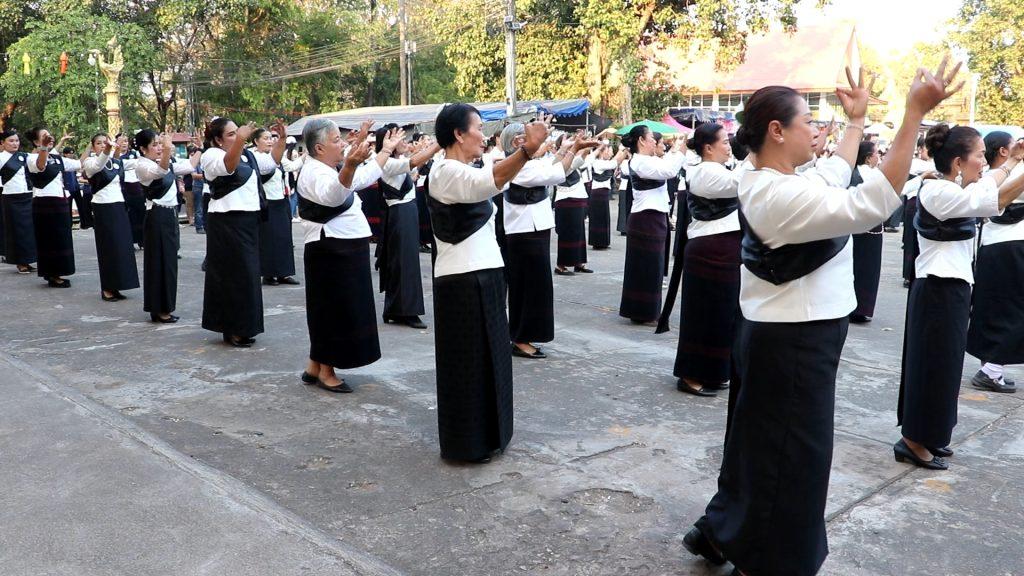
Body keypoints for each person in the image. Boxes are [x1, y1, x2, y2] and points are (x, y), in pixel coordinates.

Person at [683, 61, 962, 576]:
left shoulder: (778, 178)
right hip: (793, 341)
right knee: (791, 459)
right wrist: (912, 114)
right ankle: (765, 560)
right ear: (776, 131)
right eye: (807, 122)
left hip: (791, 335)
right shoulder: (775, 191)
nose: (817, 129)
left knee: (762, 447)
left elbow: (835, 173)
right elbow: (872, 202)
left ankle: (728, 532)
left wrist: (856, 122)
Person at [897, 124, 1024, 470]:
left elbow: (987, 186)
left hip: (950, 289)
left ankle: (931, 434)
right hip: (937, 288)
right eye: (980, 155)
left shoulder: (953, 187)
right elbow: (993, 199)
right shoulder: (937, 192)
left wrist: (1011, 162)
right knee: (931, 368)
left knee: (945, 369)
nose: (984, 162)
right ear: (957, 161)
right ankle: (913, 439)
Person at [427, 103, 549, 462]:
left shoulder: (463, 166)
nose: (484, 134)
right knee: (467, 366)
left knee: (490, 360)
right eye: (478, 127)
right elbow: (489, 182)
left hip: (486, 272)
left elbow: (489, 178)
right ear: (458, 134)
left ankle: (491, 437)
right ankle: (467, 444)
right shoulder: (445, 171)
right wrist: (526, 150)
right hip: (462, 280)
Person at [296, 119, 402, 393]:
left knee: (338, 309)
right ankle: (327, 370)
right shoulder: (315, 173)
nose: (342, 144)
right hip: (331, 249)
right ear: (319, 148)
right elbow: (333, 196)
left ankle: (315, 364)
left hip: (344, 248)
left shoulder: (328, 168)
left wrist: (385, 151)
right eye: (335, 140)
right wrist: (351, 164)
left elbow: (363, 178)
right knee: (333, 311)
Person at [501, 122, 597, 360]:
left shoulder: (527, 164)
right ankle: (521, 338)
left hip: (533, 232)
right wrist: (573, 149)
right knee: (528, 288)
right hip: (525, 233)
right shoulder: (519, 167)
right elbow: (556, 173)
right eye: (532, 137)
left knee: (535, 287)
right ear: (517, 143)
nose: (540, 142)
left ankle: (525, 335)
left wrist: (572, 149)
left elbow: (554, 166)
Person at [673, 123, 745, 397]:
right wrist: (757, 154)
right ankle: (691, 374)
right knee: (702, 316)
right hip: (708, 251)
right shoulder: (704, 172)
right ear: (708, 148)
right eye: (724, 142)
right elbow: (742, 184)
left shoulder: (719, 170)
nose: (729, 147)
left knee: (722, 316)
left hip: (724, 250)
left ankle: (714, 372)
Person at [200, 117, 277, 347]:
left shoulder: (247, 155)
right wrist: (242, 139)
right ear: (217, 139)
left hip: (247, 220)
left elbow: (271, 165)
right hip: (226, 221)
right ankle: (232, 327)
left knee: (247, 274)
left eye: (238, 132)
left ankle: (245, 325)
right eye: (231, 134)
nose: (237, 136)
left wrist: (280, 140)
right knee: (232, 275)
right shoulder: (211, 155)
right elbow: (227, 167)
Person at [965, 132, 1024, 393]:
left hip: (995, 242)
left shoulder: (992, 173)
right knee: (1009, 309)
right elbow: (999, 201)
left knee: (995, 307)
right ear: (1003, 151)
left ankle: (992, 368)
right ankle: (991, 370)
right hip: (1013, 243)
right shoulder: (1010, 172)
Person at [373, 123, 440, 328]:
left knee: (404, 262)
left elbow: (411, 168)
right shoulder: (385, 162)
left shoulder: (396, 161)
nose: (404, 142)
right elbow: (414, 162)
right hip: (399, 214)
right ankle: (406, 311)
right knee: (404, 262)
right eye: (399, 139)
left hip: (406, 212)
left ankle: (396, 309)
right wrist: (437, 144)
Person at [618, 128, 685, 324]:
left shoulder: (651, 160)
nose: (655, 142)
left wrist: (675, 150)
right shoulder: (640, 161)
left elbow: (668, 165)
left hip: (653, 216)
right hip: (645, 218)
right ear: (641, 140)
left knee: (651, 267)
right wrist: (682, 148)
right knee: (646, 267)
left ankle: (642, 311)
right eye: (651, 139)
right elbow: (670, 171)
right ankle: (644, 312)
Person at [136, 130, 200, 323]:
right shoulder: (143, 165)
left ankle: (166, 306)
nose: (159, 147)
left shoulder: (167, 161)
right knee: (158, 264)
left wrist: (199, 147)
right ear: (143, 148)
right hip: (156, 215)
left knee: (169, 263)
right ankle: (158, 308)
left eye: (159, 143)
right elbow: (160, 172)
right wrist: (167, 149)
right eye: (155, 144)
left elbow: (189, 165)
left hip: (169, 215)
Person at [82, 133, 141, 301]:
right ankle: (107, 288)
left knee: (121, 248)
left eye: (105, 142)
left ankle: (118, 285)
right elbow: (98, 165)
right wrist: (108, 148)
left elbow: (137, 162)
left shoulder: (116, 162)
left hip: (118, 206)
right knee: (108, 248)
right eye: (99, 143)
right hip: (103, 208)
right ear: (93, 147)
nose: (102, 145)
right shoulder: (90, 162)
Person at [26, 127, 79, 288]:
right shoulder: (31, 158)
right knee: (49, 240)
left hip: (60, 201)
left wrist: (94, 146)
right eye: (44, 137)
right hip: (44, 203)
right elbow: (40, 166)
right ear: (36, 142)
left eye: (50, 135)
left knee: (61, 239)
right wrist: (44, 147)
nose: (49, 138)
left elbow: (79, 164)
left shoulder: (56, 158)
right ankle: (52, 274)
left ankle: (59, 271)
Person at [251, 122, 301, 286]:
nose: (269, 141)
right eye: (265, 138)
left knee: (284, 238)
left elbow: (293, 166)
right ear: (256, 141)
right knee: (269, 239)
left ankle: (284, 273)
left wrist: (306, 156)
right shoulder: (254, 157)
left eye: (271, 138)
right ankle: (269, 273)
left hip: (281, 200)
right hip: (267, 202)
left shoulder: (277, 157)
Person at [850, 140, 885, 323]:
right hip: (869, 229)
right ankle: (862, 307)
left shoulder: (854, 173)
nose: (878, 157)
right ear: (869, 157)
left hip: (859, 229)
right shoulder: (872, 175)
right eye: (876, 153)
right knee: (868, 269)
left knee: (856, 267)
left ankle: (855, 307)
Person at [553, 134, 593, 275]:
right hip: (566, 200)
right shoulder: (559, 163)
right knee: (567, 233)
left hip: (577, 198)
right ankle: (561, 265)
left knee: (579, 233)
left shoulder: (570, 160)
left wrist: (586, 144)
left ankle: (579, 262)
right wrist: (585, 145)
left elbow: (582, 157)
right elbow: (578, 160)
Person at [1, 128, 37, 274]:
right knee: (16, 231)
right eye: (11, 141)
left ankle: (28, 259)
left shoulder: (24, 156)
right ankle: (19, 262)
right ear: (2, 143)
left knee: (28, 231)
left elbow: (39, 160)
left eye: (16, 140)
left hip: (27, 196)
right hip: (11, 198)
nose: (15, 143)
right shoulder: (1, 158)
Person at [901, 136, 934, 286]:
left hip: (929, 206)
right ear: (920, 149)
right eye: (927, 148)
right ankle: (908, 274)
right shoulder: (914, 164)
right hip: (914, 204)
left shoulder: (935, 163)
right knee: (910, 241)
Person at [587, 145, 620, 250]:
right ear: (601, 152)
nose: (610, 153)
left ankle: (603, 242)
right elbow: (614, 163)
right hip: (598, 193)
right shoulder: (598, 163)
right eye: (608, 151)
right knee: (599, 218)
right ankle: (598, 242)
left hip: (603, 192)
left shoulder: (603, 163)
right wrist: (622, 150)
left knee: (603, 218)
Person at [116, 133, 146, 249]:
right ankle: (129, 241)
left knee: (140, 214)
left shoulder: (135, 154)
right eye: (121, 141)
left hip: (137, 189)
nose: (124, 143)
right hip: (123, 189)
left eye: (126, 141)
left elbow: (140, 163)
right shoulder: (115, 156)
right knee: (127, 216)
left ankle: (142, 240)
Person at [63, 146, 92, 229]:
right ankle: (69, 225)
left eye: (72, 153)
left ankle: (85, 224)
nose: (71, 155)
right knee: (68, 208)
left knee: (81, 206)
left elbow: (79, 169)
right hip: (68, 188)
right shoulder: (64, 162)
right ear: (65, 154)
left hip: (76, 187)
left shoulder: (73, 162)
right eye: (69, 153)